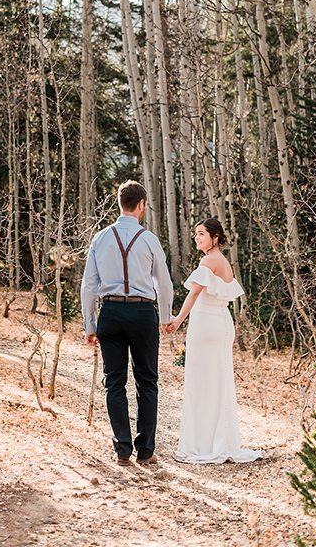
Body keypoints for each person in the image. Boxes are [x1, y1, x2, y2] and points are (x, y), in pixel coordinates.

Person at [81, 181, 174, 465]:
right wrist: (167, 317)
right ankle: (145, 450)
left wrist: (90, 325)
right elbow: (165, 284)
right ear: (142, 204)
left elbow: (88, 285)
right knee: (147, 381)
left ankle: (122, 449)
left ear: (120, 203)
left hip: (109, 312)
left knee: (114, 382)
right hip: (143, 313)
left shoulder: (100, 238)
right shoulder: (149, 239)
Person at [166, 218, 261, 464]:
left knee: (200, 384)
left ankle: (202, 444)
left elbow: (194, 293)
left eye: (201, 234)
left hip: (206, 326)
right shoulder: (225, 264)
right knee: (218, 384)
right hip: (222, 324)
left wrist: (177, 320)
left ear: (215, 237)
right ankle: (218, 439)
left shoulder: (208, 261)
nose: (197, 238)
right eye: (195, 234)